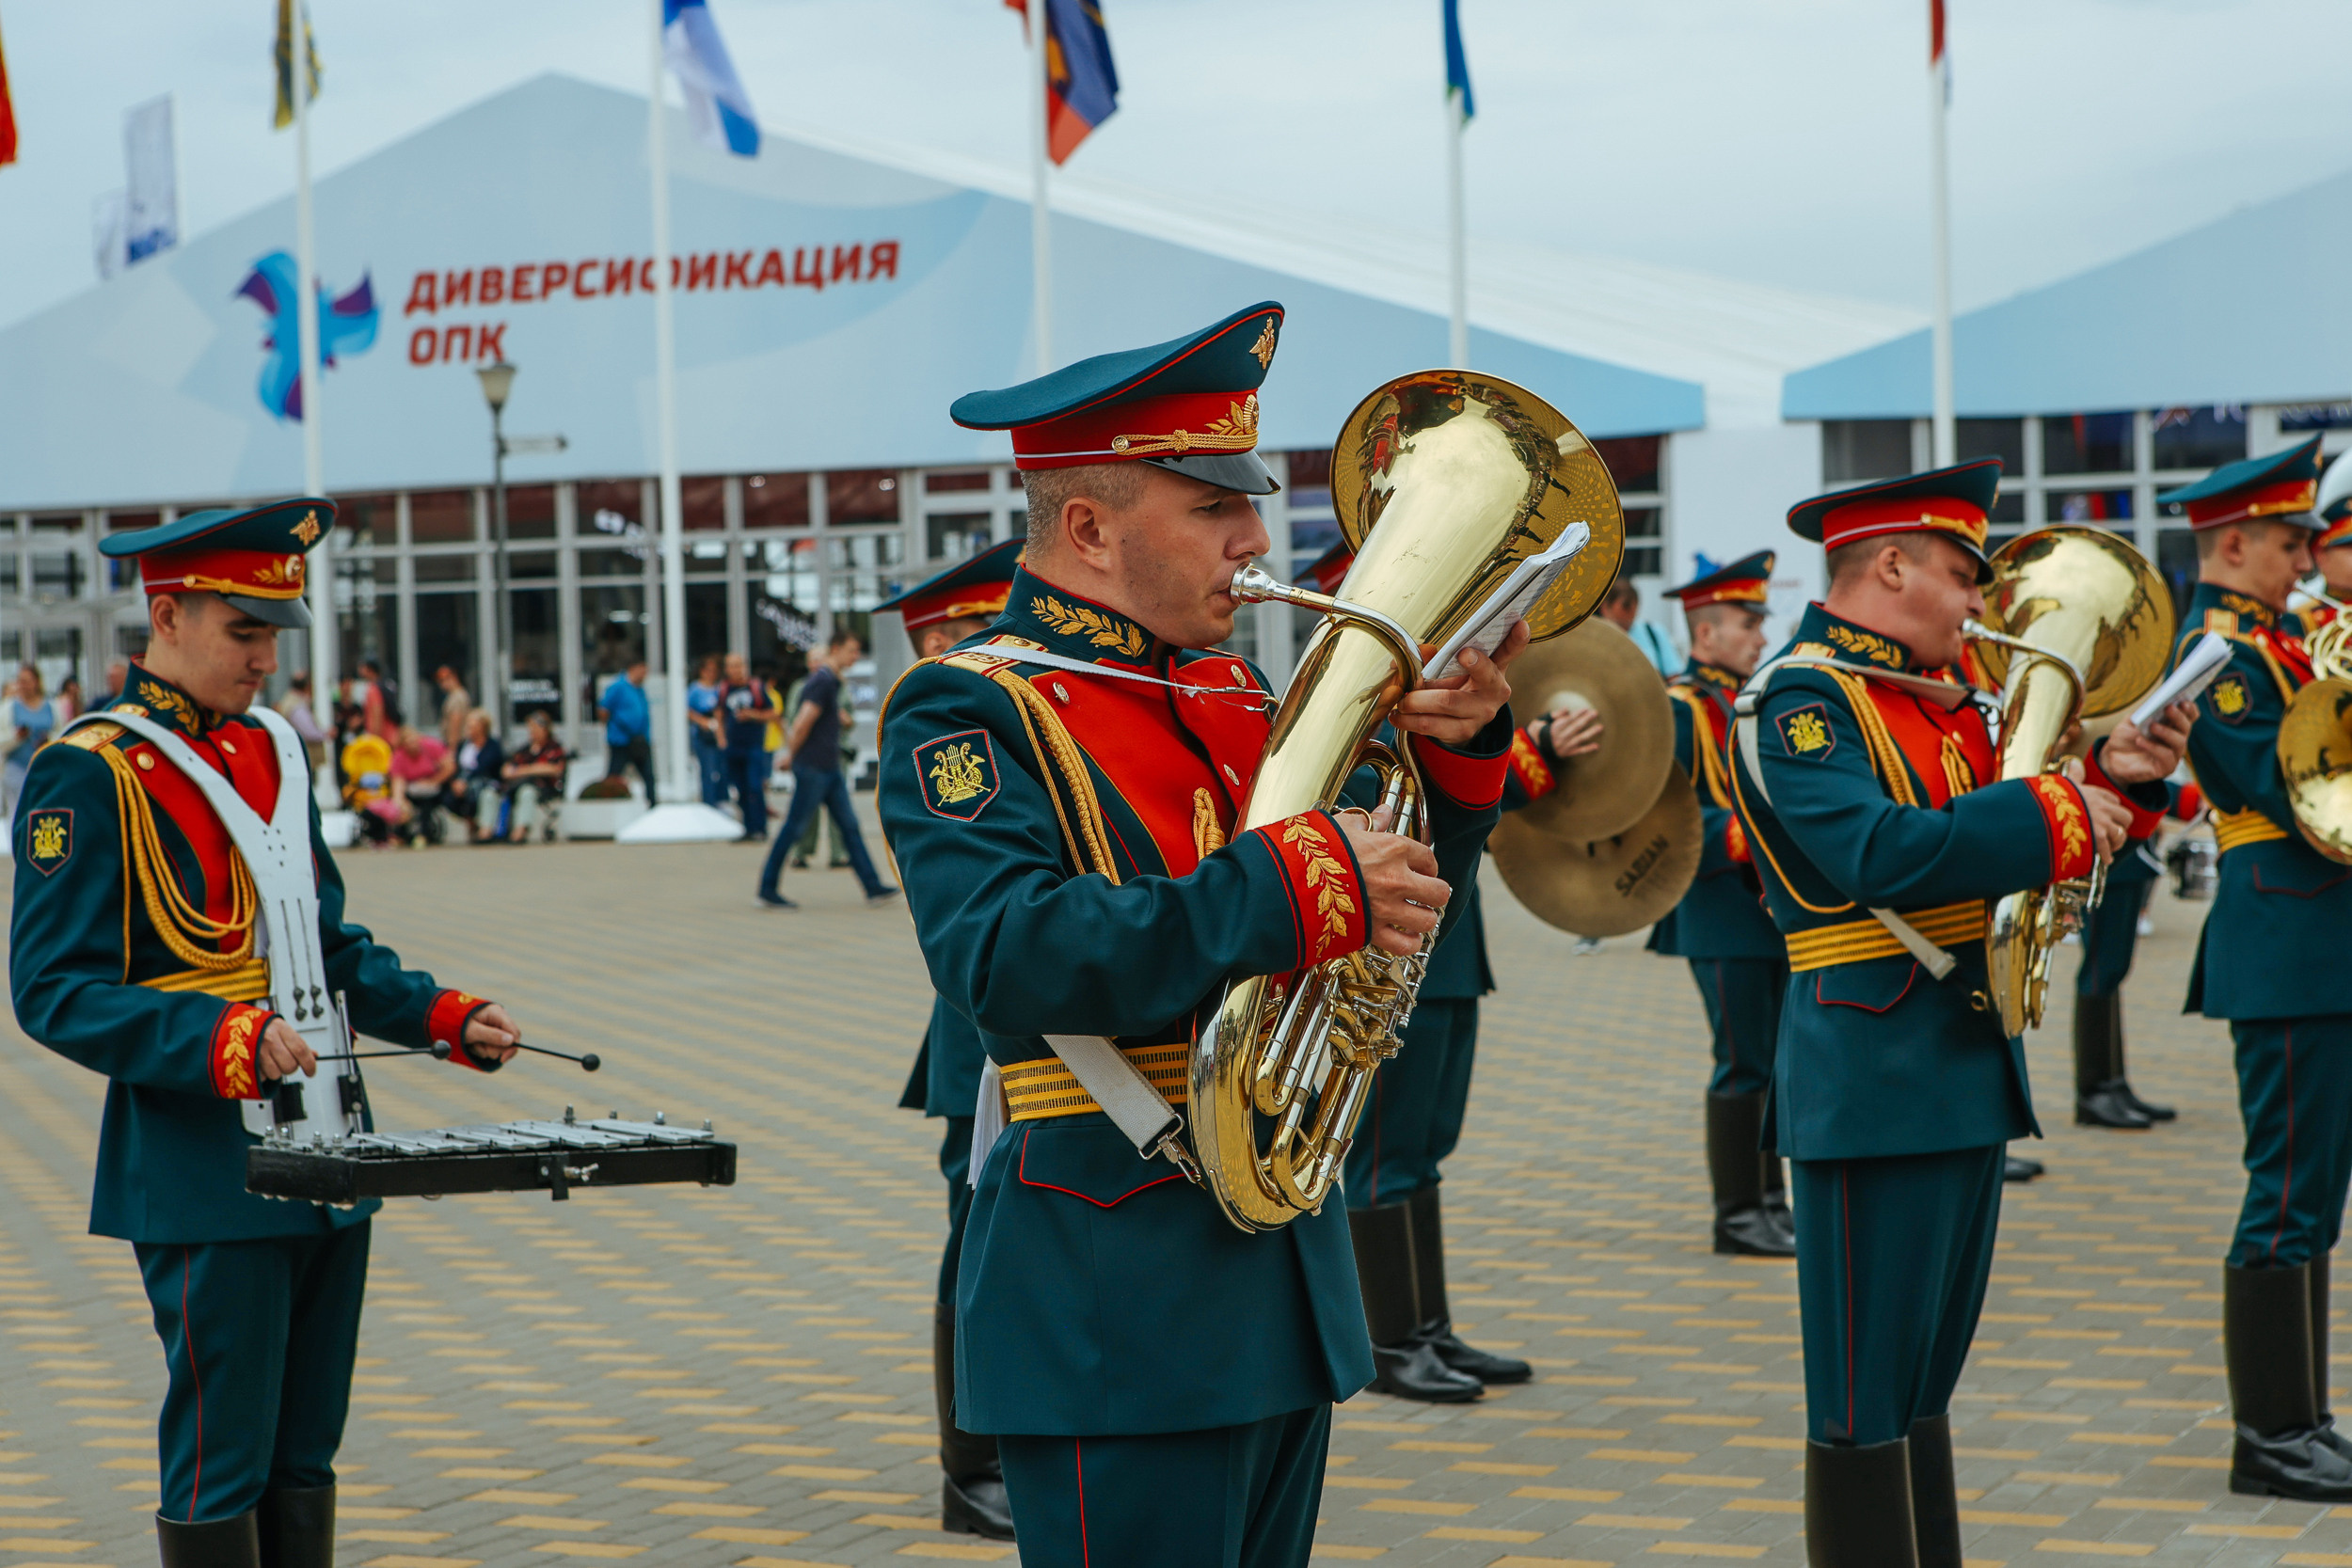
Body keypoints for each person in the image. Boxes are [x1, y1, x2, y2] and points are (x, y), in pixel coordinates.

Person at [878, 302, 1525, 1566]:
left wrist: (1457, 762)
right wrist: (1279, 890)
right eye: (1214, 509)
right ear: (1089, 528)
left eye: (1253, 500)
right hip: (1116, 1284)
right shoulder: (971, 703)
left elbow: (1386, 901)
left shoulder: (1237, 692)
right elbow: (1001, 955)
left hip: (1281, 1273)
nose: (1258, 537)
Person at [8, 497, 520, 1568]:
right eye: (244, 630)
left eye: (273, 634)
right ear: (171, 611)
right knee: (219, 1455)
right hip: (203, 1165)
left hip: (330, 1150)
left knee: (305, 1454)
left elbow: (321, 940)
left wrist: (438, 1015)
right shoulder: (89, 768)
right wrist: (216, 1039)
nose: (263, 658)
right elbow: (54, 988)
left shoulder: (273, 747)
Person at [1726, 459, 2189, 1565]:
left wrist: (2120, 783)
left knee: (1925, 1379)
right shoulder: (1802, 696)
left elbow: (2019, 864)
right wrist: (2052, 808)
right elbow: (1874, 852)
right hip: (1868, 1070)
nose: (1983, 603)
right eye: (1961, 573)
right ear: (1888, 565)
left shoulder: (1943, 702)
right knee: (1860, 1395)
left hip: (1962, 1062)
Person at [2158, 436, 2352, 1502]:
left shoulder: (2285, 639)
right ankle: (2269, 1433)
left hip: (2321, 942)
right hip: (2285, 941)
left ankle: (2306, 1416)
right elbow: (2287, 786)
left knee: (2315, 1194)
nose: (2302, 556)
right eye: (2287, 541)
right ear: (2232, 543)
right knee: (2283, 1194)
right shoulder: (2216, 655)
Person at [877, 537, 1025, 1539]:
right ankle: (969, 1464)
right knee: (977, 1239)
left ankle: (1011, 1437)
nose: (997, 645)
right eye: (977, 629)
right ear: (935, 635)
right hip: (982, 1037)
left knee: (1013, 1242)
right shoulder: (945, 710)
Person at [1635, 550, 1797, 1257]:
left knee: (1770, 1062)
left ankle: (1769, 1199)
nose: (1761, 637)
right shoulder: (1680, 706)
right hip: (1718, 909)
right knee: (1741, 1061)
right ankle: (1736, 1212)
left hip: (1766, 907)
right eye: (1747, 622)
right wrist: (1756, 829)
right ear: (1705, 635)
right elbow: (1660, 813)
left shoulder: (1744, 699)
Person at [757, 631, 896, 909]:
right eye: (852, 650)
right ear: (836, 649)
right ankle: (767, 888)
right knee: (794, 828)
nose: (855, 657)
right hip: (813, 769)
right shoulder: (822, 682)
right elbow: (802, 722)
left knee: (849, 827)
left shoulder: (831, 681)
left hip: (828, 769)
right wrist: (790, 756)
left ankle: (872, 886)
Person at [717, 653, 780, 841]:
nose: (736, 670)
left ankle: (760, 828)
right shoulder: (724, 690)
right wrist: (721, 739)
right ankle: (747, 828)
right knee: (740, 789)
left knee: (755, 787)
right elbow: (719, 715)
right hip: (733, 747)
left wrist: (753, 715)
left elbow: (772, 713)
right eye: (732, 666)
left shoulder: (756, 688)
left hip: (753, 746)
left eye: (739, 665)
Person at [501, 711, 567, 843]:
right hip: (519, 785)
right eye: (530, 728)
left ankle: (520, 831)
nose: (532, 731)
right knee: (497, 792)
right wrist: (530, 770)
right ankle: (494, 831)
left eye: (536, 727)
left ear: (545, 729)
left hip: (545, 786)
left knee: (527, 793)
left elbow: (554, 769)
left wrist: (523, 770)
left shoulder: (553, 747)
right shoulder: (525, 749)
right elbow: (507, 770)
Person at [596, 658, 657, 804]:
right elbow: (603, 710)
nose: (645, 675)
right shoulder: (618, 687)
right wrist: (615, 727)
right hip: (621, 740)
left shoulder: (639, 689)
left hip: (640, 740)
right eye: (643, 671)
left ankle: (652, 804)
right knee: (614, 775)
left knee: (648, 775)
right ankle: (607, 803)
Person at [387, 723, 455, 846]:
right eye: (409, 743)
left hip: (435, 786)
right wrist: (400, 803)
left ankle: (425, 834)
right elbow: (398, 784)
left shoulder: (431, 746)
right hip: (413, 791)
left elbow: (449, 767)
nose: (413, 745)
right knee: (406, 805)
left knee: (427, 802)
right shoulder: (399, 757)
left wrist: (432, 781)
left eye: (414, 741)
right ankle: (400, 835)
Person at [1599, 576, 1678, 678]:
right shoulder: (1592, 639)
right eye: (1619, 623)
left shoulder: (1654, 633)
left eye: (1630, 621)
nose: (1625, 627)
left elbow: (1674, 676)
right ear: (1605, 609)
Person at [5, 663, 56, 819]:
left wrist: (48, 740)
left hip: (45, 767)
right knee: (19, 814)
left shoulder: (51, 706)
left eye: (27, 681)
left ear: (37, 682)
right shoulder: (9, 707)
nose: (23, 685)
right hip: (16, 768)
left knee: (43, 812)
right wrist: (17, 736)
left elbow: (63, 734)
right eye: (20, 681)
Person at [339, 716, 398, 846]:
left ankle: (385, 836)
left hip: (379, 793)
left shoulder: (381, 768)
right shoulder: (355, 765)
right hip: (361, 794)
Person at [449, 711, 506, 844]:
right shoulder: (463, 745)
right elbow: (457, 767)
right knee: (449, 797)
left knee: (487, 795)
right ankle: (471, 822)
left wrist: (465, 782)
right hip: (463, 782)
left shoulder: (493, 745)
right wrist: (456, 781)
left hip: (486, 782)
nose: (468, 729)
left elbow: (485, 767)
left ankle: (485, 830)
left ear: (482, 727)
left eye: (472, 726)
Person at [688, 656, 725, 807]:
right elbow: (687, 710)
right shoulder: (695, 689)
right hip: (703, 736)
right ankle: (709, 803)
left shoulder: (719, 688)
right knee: (708, 771)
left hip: (718, 734)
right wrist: (703, 721)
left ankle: (721, 801)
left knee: (721, 770)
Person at [277, 673, 330, 773]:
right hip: (302, 757)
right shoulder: (297, 706)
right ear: (307, 686)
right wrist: (325, 734)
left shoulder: (290, 700)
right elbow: (308, 732)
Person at [434, 666, 473, 752]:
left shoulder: (457, 697)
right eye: (440, 681)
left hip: (458, 743)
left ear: (454, 677)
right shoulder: (454, 695)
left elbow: (455, 722)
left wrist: (452, 748)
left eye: (446, 679)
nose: (443, 684)